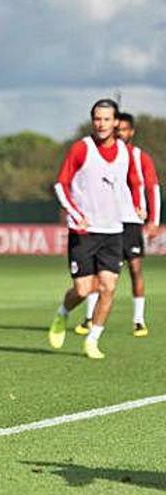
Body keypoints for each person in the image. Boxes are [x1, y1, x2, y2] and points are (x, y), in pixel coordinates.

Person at [48, 99, 142, 359]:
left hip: (114, 231)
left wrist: (137, 205)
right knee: (82, 289)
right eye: (97, 119)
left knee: (108, 288)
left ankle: (93, 340)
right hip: (84, 232)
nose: (101, 124)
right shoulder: (81, 149)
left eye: (106, 119)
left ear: (116, 123)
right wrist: (76, 214)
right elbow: (60, 184)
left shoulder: (124, 151)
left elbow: (133, 181)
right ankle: (63, 314)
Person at [75, 112, 159, 338]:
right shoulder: (97, 153)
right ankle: (89, 318)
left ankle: (139, 320)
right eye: (116, 128)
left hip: (130, 222)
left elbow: (151, 187)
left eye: (123, 129)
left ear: (131, 132)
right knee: (95, 273)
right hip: (105, 221)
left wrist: (153, 219)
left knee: (135, 269)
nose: (119, 133)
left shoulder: (138, 156)